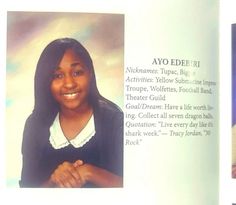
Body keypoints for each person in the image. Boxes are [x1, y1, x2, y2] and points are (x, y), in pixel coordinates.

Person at [20, 38, 123, 188]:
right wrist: (54, 180)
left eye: (77, 72)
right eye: (58, 76)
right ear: (46, 82)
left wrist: (88, 172)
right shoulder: (35, 125)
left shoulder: (115, 122)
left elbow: (139, 186)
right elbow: (25, 194)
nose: (69, 84)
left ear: (91, 74)